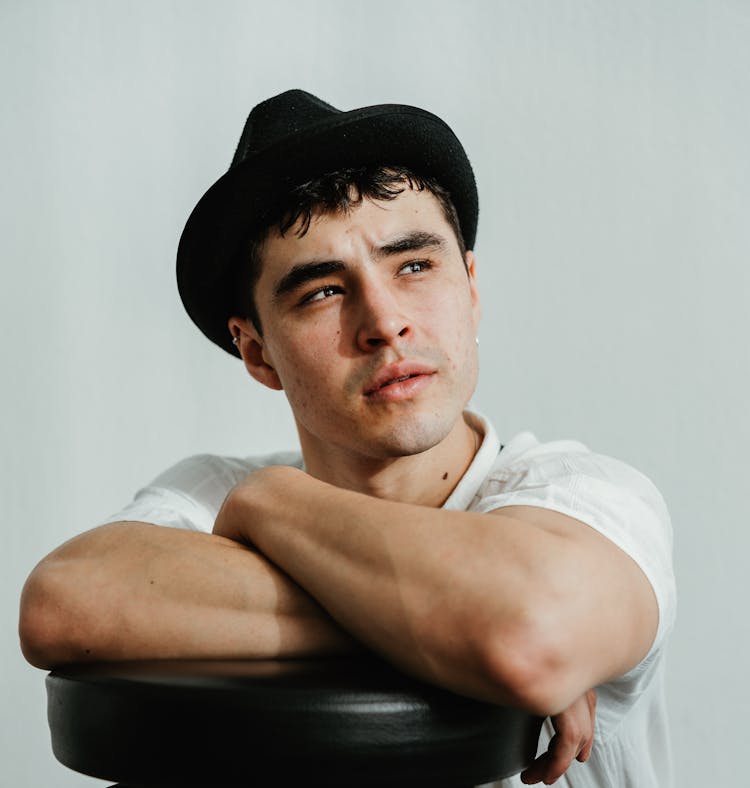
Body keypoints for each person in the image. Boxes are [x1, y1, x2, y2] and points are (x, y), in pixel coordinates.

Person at [19, 90, 675, 787]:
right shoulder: (209, 494)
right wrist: (456, 630)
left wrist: (269, 504)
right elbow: (62, 602)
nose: (385, 322)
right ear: (258, 353)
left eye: (415, 265)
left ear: (472, 288)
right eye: (322, 291)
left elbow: (526, 636)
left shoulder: (589, 495)